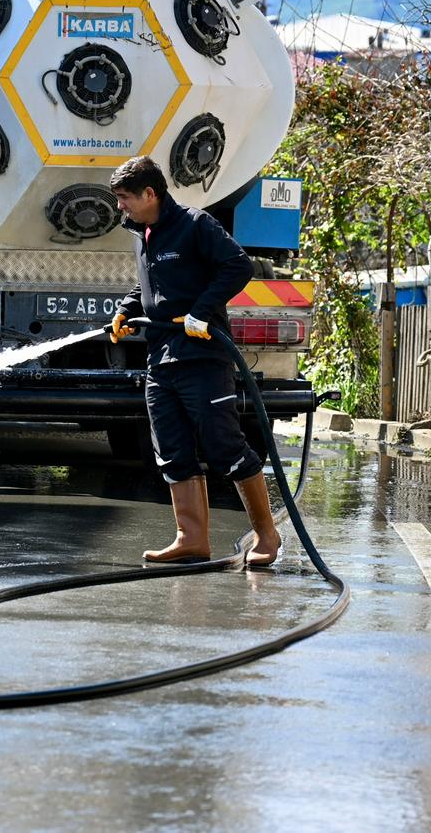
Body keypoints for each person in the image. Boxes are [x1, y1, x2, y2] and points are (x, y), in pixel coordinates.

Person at [107, 155, 282, 568]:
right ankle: (191, 539)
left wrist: (201, 311)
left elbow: (237, 265)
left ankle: (267, 535)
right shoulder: (143, 232)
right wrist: (126, 309)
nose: (120, 208)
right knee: (171, 449)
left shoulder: (194, 225)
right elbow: (150, 284)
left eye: (125, 198)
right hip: (161, 358)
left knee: (224, 447)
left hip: (202, 358)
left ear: (150, 193)